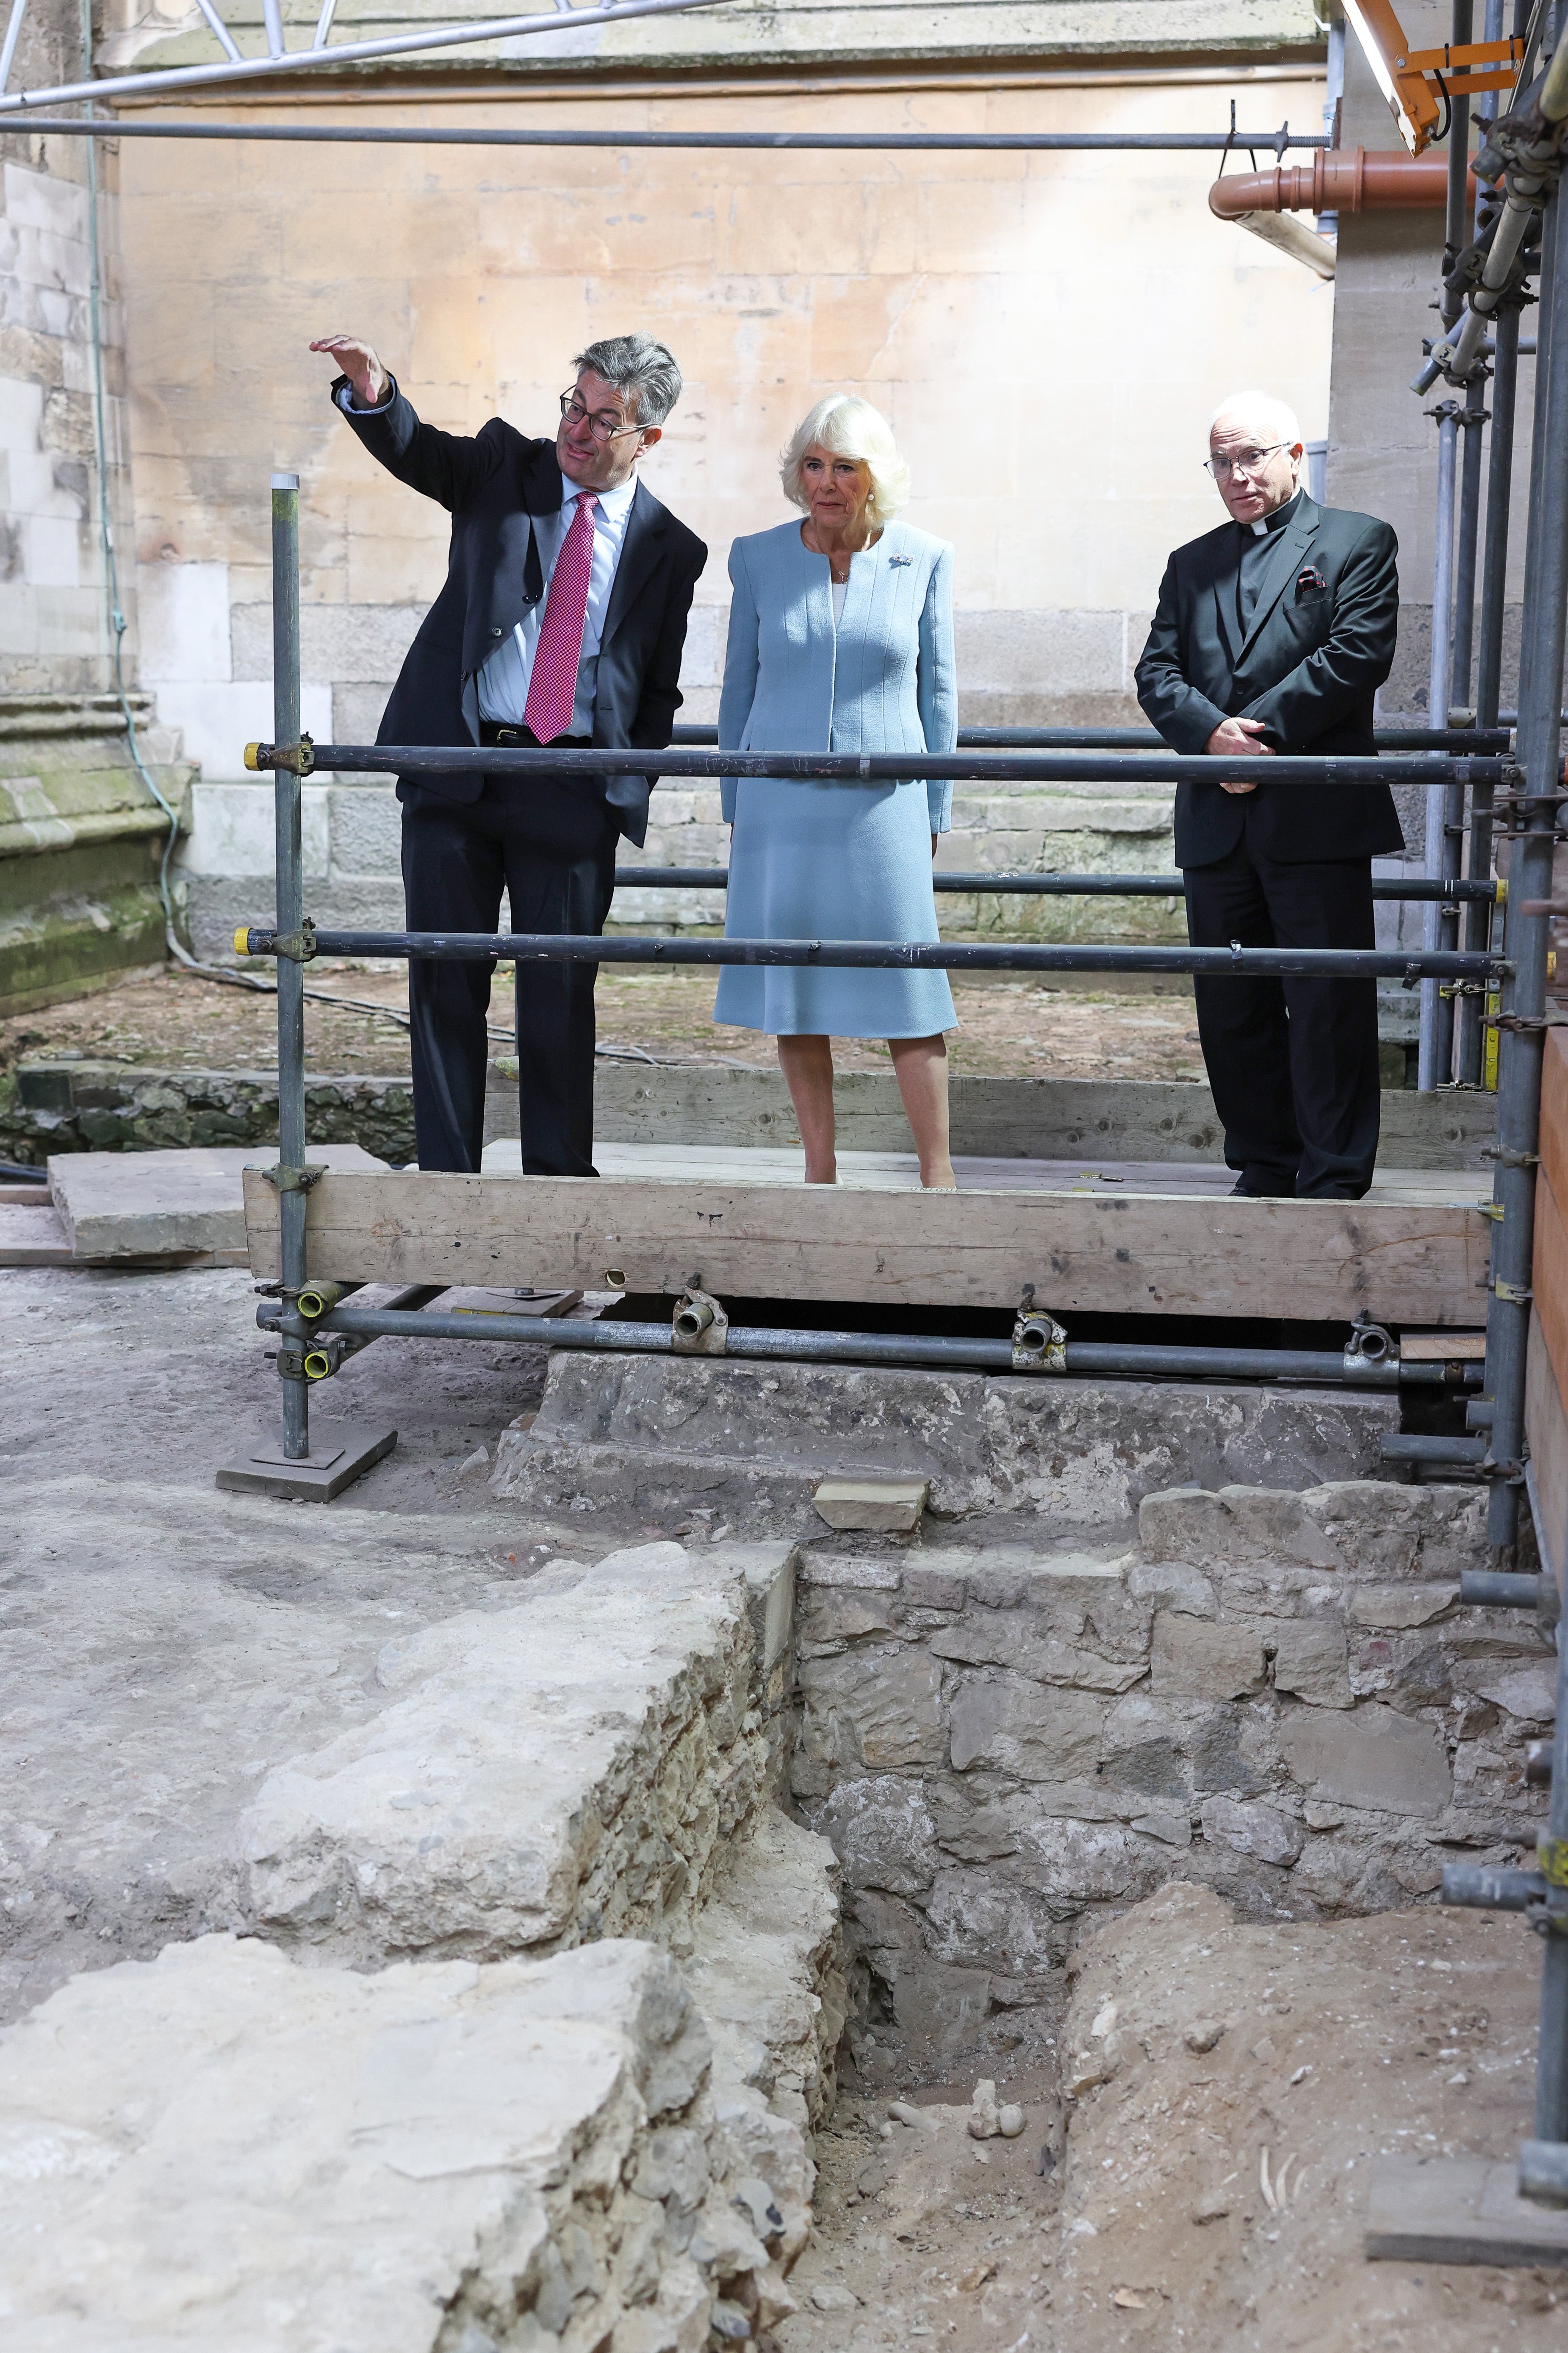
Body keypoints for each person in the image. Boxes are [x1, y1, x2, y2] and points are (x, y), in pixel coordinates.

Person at [310, 330, 707, 1176]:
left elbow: (656, 691)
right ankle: (448, 1192)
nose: (580, 428)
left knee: (558, 999)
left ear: (648, 439)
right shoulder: (503, 470)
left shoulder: (672, 550)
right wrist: (377, 395)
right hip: (458, 773)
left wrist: (620, 784)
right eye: (576, 404)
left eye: (606, 419)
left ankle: (557, 1200)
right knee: (445, 986)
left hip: (569, 788)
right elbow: (421, 455)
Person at [1134, 390, 1402, 1200]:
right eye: (1221, 460)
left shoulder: (1357, 540)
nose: (1236, 474)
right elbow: (1156, 673)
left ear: (1294, 455)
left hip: (1311, 815)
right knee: (1231, 1007)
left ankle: (1334, 1171)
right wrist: (1213, 738)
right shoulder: (1191, 563)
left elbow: (1357, 655)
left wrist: (1263, 740)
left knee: (1326, 1005)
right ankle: (1262, 1160)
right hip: (1217, 817)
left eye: (1251, 455)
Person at [715, 394, 957, 1188]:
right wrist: (733, 801)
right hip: (776, 807)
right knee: (794, 988)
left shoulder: (923, 557)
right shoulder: (754, 557)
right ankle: (819, 1172)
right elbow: (736, 689)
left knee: (909, 988)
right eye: (813, 465)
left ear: (872, 477)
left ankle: (939, 1175)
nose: (826, 482)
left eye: (844, 467)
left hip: (885, 803)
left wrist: (935, 809)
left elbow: (939, 696)